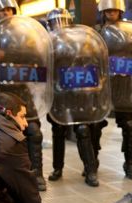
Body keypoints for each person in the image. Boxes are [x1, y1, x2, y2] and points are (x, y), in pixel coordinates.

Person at [45, 8, 109, 187]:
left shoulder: (81, 42)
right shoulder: (47, 43)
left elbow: (94, 66)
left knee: (83, 130)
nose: (59, 26)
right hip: (58, 95)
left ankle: (90, 171)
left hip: (79, 95)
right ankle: (58, 168)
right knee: (58, 132)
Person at [0, 0, 49, 191]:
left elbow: (39, 58)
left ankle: (37, 174)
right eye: (2, 10)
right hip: (1, 94)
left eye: (9, 9)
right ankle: (4, 177)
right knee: (2, 137)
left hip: (23, 92)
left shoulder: (25, 32)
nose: (6, 13)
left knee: (34, 132)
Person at [95, 0, 132, 180]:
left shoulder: (130, 32)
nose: (111, 13)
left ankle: (130, 163)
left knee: (129, 126)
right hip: (102, 87)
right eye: (108, 10)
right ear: (103, 12)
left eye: (115, 10)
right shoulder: (97, 32)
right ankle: (92, 163)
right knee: (94, 126)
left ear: (120, 11)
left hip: (124, 87)